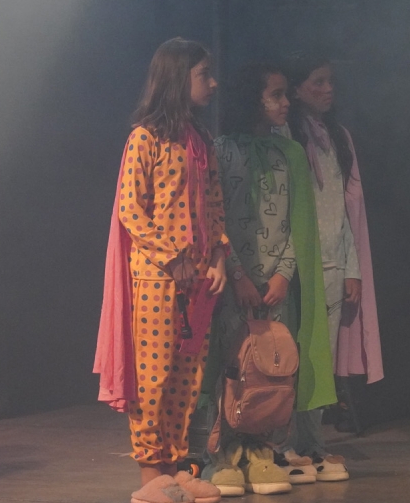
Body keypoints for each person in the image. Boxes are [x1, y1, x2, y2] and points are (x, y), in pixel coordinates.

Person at [94, 37, 227, 502]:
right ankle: (151, 475)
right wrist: (173, 257)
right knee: (153, 378)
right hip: (157, 278)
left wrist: (219, 257)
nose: (213, 83)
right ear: (176, 78)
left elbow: (214, 205)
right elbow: (131, 209)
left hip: (198, 280)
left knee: (187, 379)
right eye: (203, 74)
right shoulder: (145, 138)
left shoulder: (200, 140)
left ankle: (175, 467)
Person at [199, 62, 335, 496]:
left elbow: (301, 224)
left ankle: (263, 451)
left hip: (276, 285)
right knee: (231, 363)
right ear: (252, 99)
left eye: (284, 94)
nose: (285, 102)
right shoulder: (220, 151)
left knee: (272, 369)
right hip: (233, 283)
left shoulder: (289, 153)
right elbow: (215, 217)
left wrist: (283, 273)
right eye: (275, 94)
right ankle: (224, 453)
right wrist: (237, 273)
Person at [274, 53, 384, 480]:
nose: (327, 89)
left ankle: (312, 444)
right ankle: (281, 446)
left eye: (330, 82)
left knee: (320, 361)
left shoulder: (338, 136)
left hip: (334, 264)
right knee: (290, 358)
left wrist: (352, 266)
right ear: (297, 88)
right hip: (295, 266)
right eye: (317, 82)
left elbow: (346, 209)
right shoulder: (285, 134)